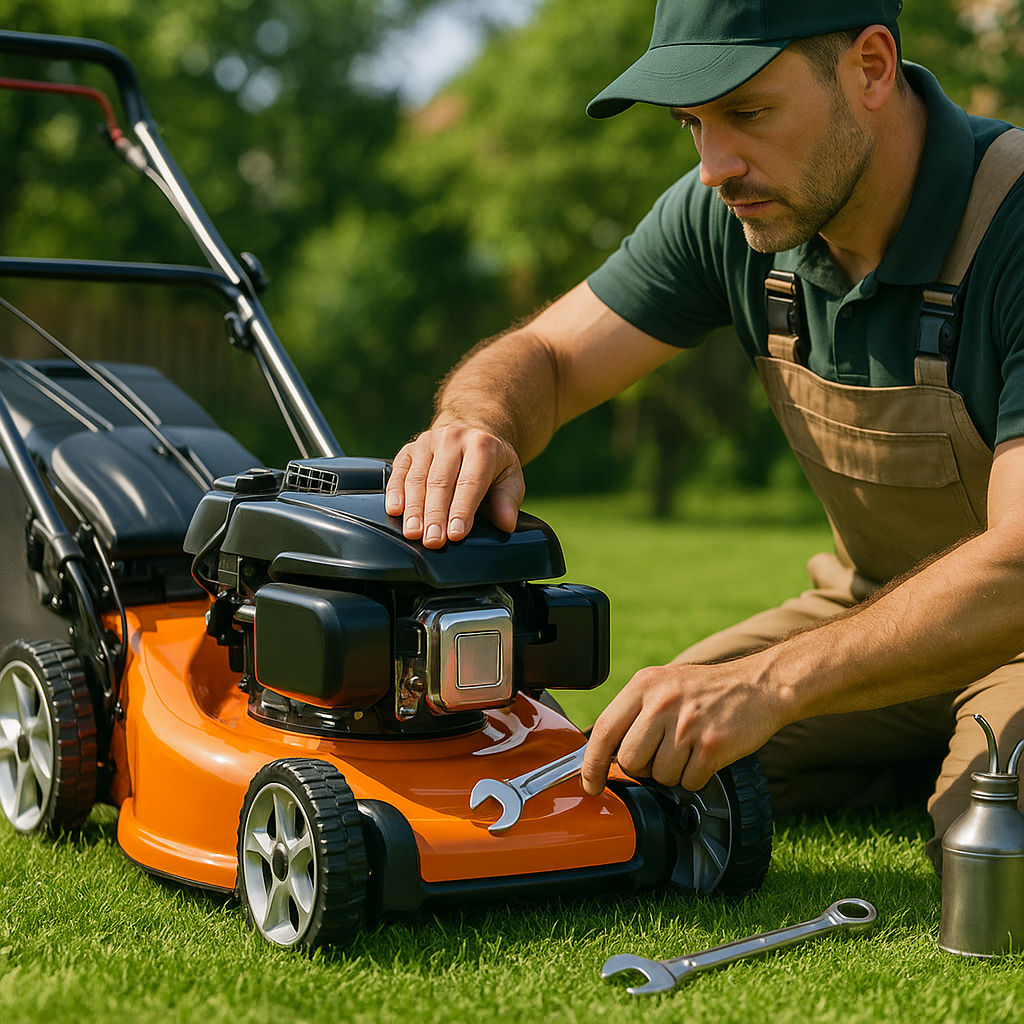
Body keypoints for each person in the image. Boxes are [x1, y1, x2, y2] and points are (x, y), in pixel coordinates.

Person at [383, 0, 1024, 872]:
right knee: (632, 771)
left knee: (992, 850)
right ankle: (905, 756)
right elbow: (550, 357)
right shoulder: (730, 212)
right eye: (693, 124)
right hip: (868, 613)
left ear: (871, 67)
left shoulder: (1014, 226)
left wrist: (768, 684)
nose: (716, 165)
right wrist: (476, 422)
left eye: (748, 112)